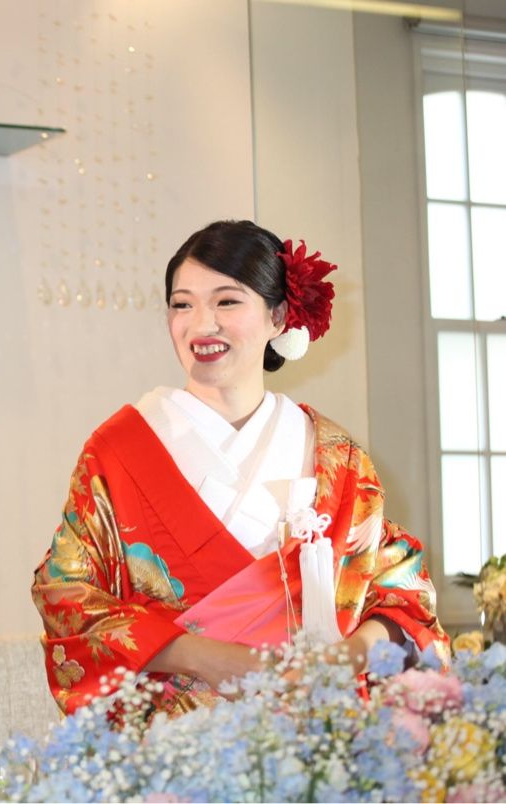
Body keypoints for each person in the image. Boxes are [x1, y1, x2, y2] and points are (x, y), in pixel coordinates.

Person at [31, 219, 448, 716]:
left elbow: (399, 586)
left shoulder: (336, 456)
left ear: (279, 316)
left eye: (227, 302)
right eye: (182, 304)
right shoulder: (120, 450)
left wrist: (347, 656)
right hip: (174, 735)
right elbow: (67, 593)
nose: (201, 324)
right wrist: (202, 656)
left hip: (314, 723)